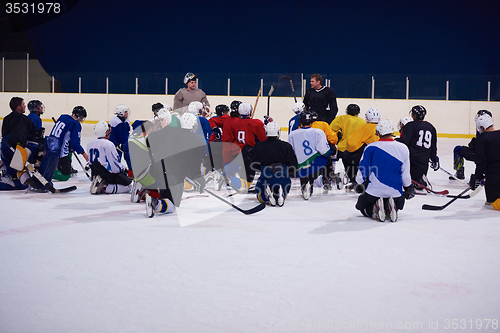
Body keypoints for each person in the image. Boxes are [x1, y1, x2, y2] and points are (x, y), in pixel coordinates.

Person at [133, 110, 206, 218]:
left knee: (165, 195)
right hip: (175, 176)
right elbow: (194, 163)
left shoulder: (172, 133)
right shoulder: (197, 139)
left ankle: (147, 190)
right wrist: (198, 178)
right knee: (172, 204)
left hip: (161, 170)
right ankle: (155, 204)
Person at [355, 119, 415, 222]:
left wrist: (360, 184)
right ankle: (392, 206)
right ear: (392, 131)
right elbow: (405, 174)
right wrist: (408, 188)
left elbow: (362, 171)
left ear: (378, 132)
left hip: (374, 191)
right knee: (399, 202)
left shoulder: (370, 147)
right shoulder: (403, 148)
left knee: (361, 206)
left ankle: (374, 207)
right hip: (396, 193)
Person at [36, 106, 89, 191]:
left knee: (67, 150)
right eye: (82, 118)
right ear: (78, 115)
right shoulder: (76, 124)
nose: (82, 120)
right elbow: (75, 144)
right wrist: (84, 154)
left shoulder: (63, 116)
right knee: (66, 175)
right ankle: (47, 173)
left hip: (48, 144)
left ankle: (46, 169)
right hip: (58, 149)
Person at [250, 121, 298, 206]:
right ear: (278, 133)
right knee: (285, 187)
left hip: (266, 174)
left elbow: (253, 163)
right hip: (282, 174)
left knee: (259, 195)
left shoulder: (259, 146)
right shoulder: (286, 146)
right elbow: (293, 164)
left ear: (266, 133)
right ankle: (282, 193)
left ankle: (265, 195)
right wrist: (291, 171)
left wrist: (260, 168)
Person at [288, 110, 332, 200]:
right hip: (315, 166)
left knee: (302, 168)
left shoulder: (292, 134)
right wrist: (331, 152)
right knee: (327, 159)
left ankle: (305, 186)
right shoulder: (318, 132)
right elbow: (324, 151)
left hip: (299, 167)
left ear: (300, 121)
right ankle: (326, 179)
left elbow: (290, 152)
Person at [221, 102, 266, 189]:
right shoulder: (256, 122)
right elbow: (263, 139)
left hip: (237, 151)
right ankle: (247, 182)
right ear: (250, 112)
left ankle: (235, 178)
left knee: (244, 165)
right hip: (250, 152)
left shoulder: (235, 122)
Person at [397, 105, 439, 191]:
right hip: (424, 162)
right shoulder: (431, 127)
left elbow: (404, 142)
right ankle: (419, 179)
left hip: (412, 160)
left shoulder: (410, 125)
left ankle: (414, 182)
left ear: (414, 115)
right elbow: (433, 146)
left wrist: (395, 141)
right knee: (418, 175)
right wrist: (434, 158)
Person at [0, 97, 38, 190]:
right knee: (22, 185)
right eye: (23, 104)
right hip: (16, 151)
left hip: (4, 150)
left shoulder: (6, 118)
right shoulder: (24, 119)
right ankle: (11, 180)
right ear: (18, 107)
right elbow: (31, 135)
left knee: (12, 169)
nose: (25, 106)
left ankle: (9, 176)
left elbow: (4, 134)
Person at [87, 120, 133, 195]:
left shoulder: (90, 144)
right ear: (106, 132)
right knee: (128, 186)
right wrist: (122, 169)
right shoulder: (108, 144)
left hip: (94, 172)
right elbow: (114, 165)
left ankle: (101, 181)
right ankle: (105, 187)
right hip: (107, 173)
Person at [329, 104, 366, 186]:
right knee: (355, 166)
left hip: (343, 148)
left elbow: (331, 130)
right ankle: (355, 179)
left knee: (344, 163)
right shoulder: (363, 122)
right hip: (357, 149)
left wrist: (336, 139)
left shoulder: (341, 118)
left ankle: (341, 175)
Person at [469, 114, 500, 210]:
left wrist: (477, 177)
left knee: (495, 203)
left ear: (481, 127)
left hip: (494, 178)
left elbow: (481, 161)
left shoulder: (482, 139)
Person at [450, 110, 492, 180]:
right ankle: (459, 172)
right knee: (458, 149)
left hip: (484, 156)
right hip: (477, 152)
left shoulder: (487, 131)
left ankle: (484, 174)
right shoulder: (480, 128)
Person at [344, 107, 381, 188]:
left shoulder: (362, 128)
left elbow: (352, 145)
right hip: (382, 156)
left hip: (366, 156)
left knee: (346, 155)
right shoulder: (383, 127)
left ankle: (355, 180)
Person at [108, 104, 132, 170]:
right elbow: (111, 135)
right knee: (116, 160)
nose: (127, 113)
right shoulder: (114, 121)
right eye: (125, 112)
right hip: (116, 146)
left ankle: (132, 173)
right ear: (121, 113)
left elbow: (127, 133)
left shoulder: (127, 120)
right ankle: (115, 173)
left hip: (125, 144)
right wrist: (116, 144)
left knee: (129, 158)